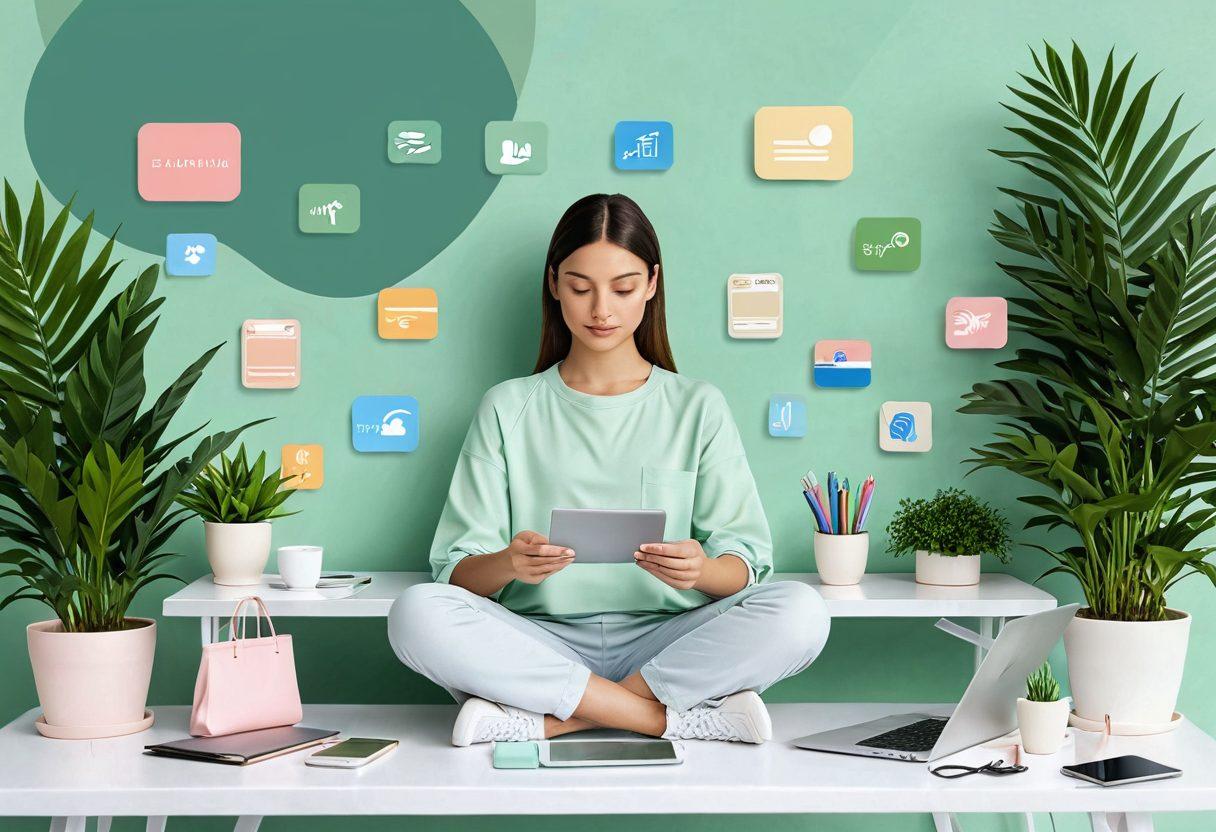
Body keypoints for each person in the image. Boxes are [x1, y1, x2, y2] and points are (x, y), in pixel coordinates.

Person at [388, 194, 830, 746]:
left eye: (622, 288)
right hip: (538, 640)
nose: (601, 310)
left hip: (669, 641)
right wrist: (508, 563)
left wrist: (701, 571)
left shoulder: (698, 406)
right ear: (554, 284)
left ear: (651, 284)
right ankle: (663, 718)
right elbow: (454, 573)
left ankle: (551, 719)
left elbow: (747, 567)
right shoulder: (507, 406)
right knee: (416, 612)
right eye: (581, 288)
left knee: (801, 611)